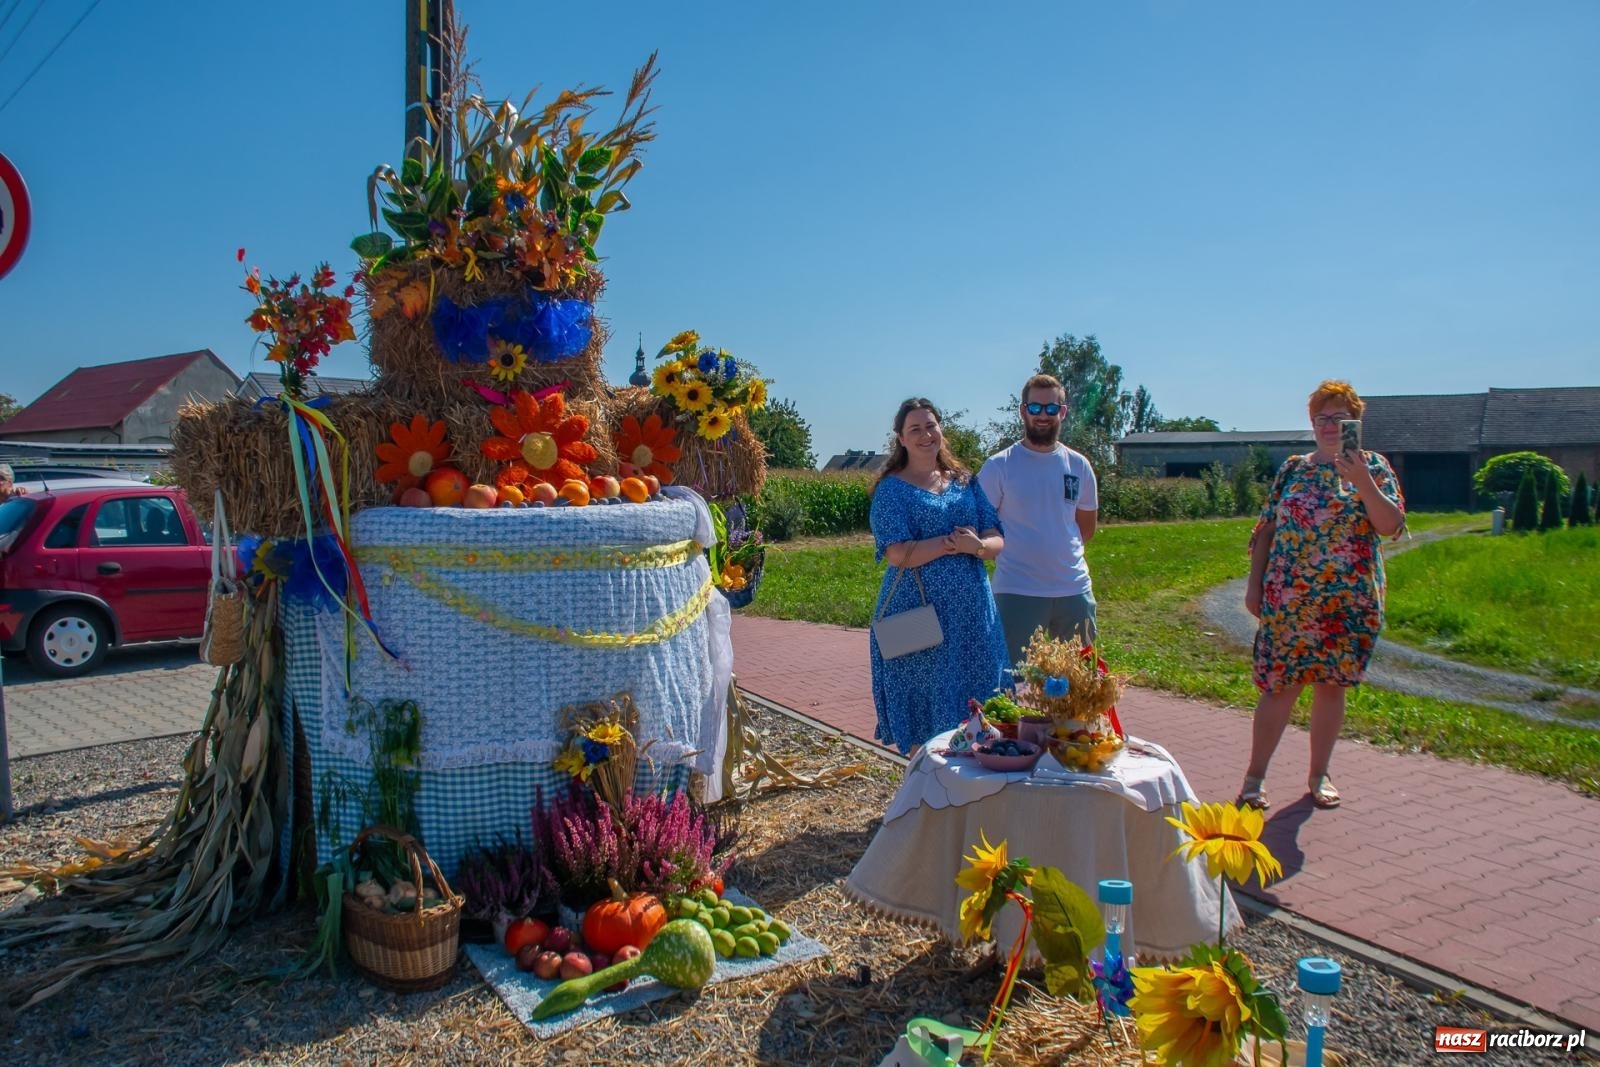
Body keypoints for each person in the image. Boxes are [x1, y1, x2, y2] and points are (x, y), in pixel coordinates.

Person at [1238, 380, 1406, 811]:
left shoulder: (1375, 468)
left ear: (1356, 422)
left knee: (1332, 687)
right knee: (1279, 686)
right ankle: (1254, 778)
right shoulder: (1294, 468)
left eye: (1340, 418)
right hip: (1289, 602)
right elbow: (1266, 530)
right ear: (1312, 423)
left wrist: (1363, 481)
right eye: (1322, 418)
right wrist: (1254, 585)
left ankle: (1319, 774)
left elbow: (1391, 525)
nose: (1331, 426)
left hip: (1347, 604)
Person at [869, 398, 1009, 754]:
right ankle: (925, 796)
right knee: (924, 704)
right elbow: (896, 552)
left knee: (979, 703)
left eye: (930, 426)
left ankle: (972, 793)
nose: (925, 435)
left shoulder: (965, 481)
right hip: (916, 616)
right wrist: (950, 544)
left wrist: (976, 546)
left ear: (941, 429)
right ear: (900, 438)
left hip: (972, 617)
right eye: (914, 429)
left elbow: (996, 538)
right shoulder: (890, 489)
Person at [977, 373, 1099, 663]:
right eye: (1034, 408)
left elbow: (1086, 528)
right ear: (1023, 411)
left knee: (1078, 691)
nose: (1042, 416)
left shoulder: (1078, 465)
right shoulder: (999, 466)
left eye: (1051, 408)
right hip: (1017, 591)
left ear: (1063, 412)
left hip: (1073, 591)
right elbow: (983, 527)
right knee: (1009, 689)